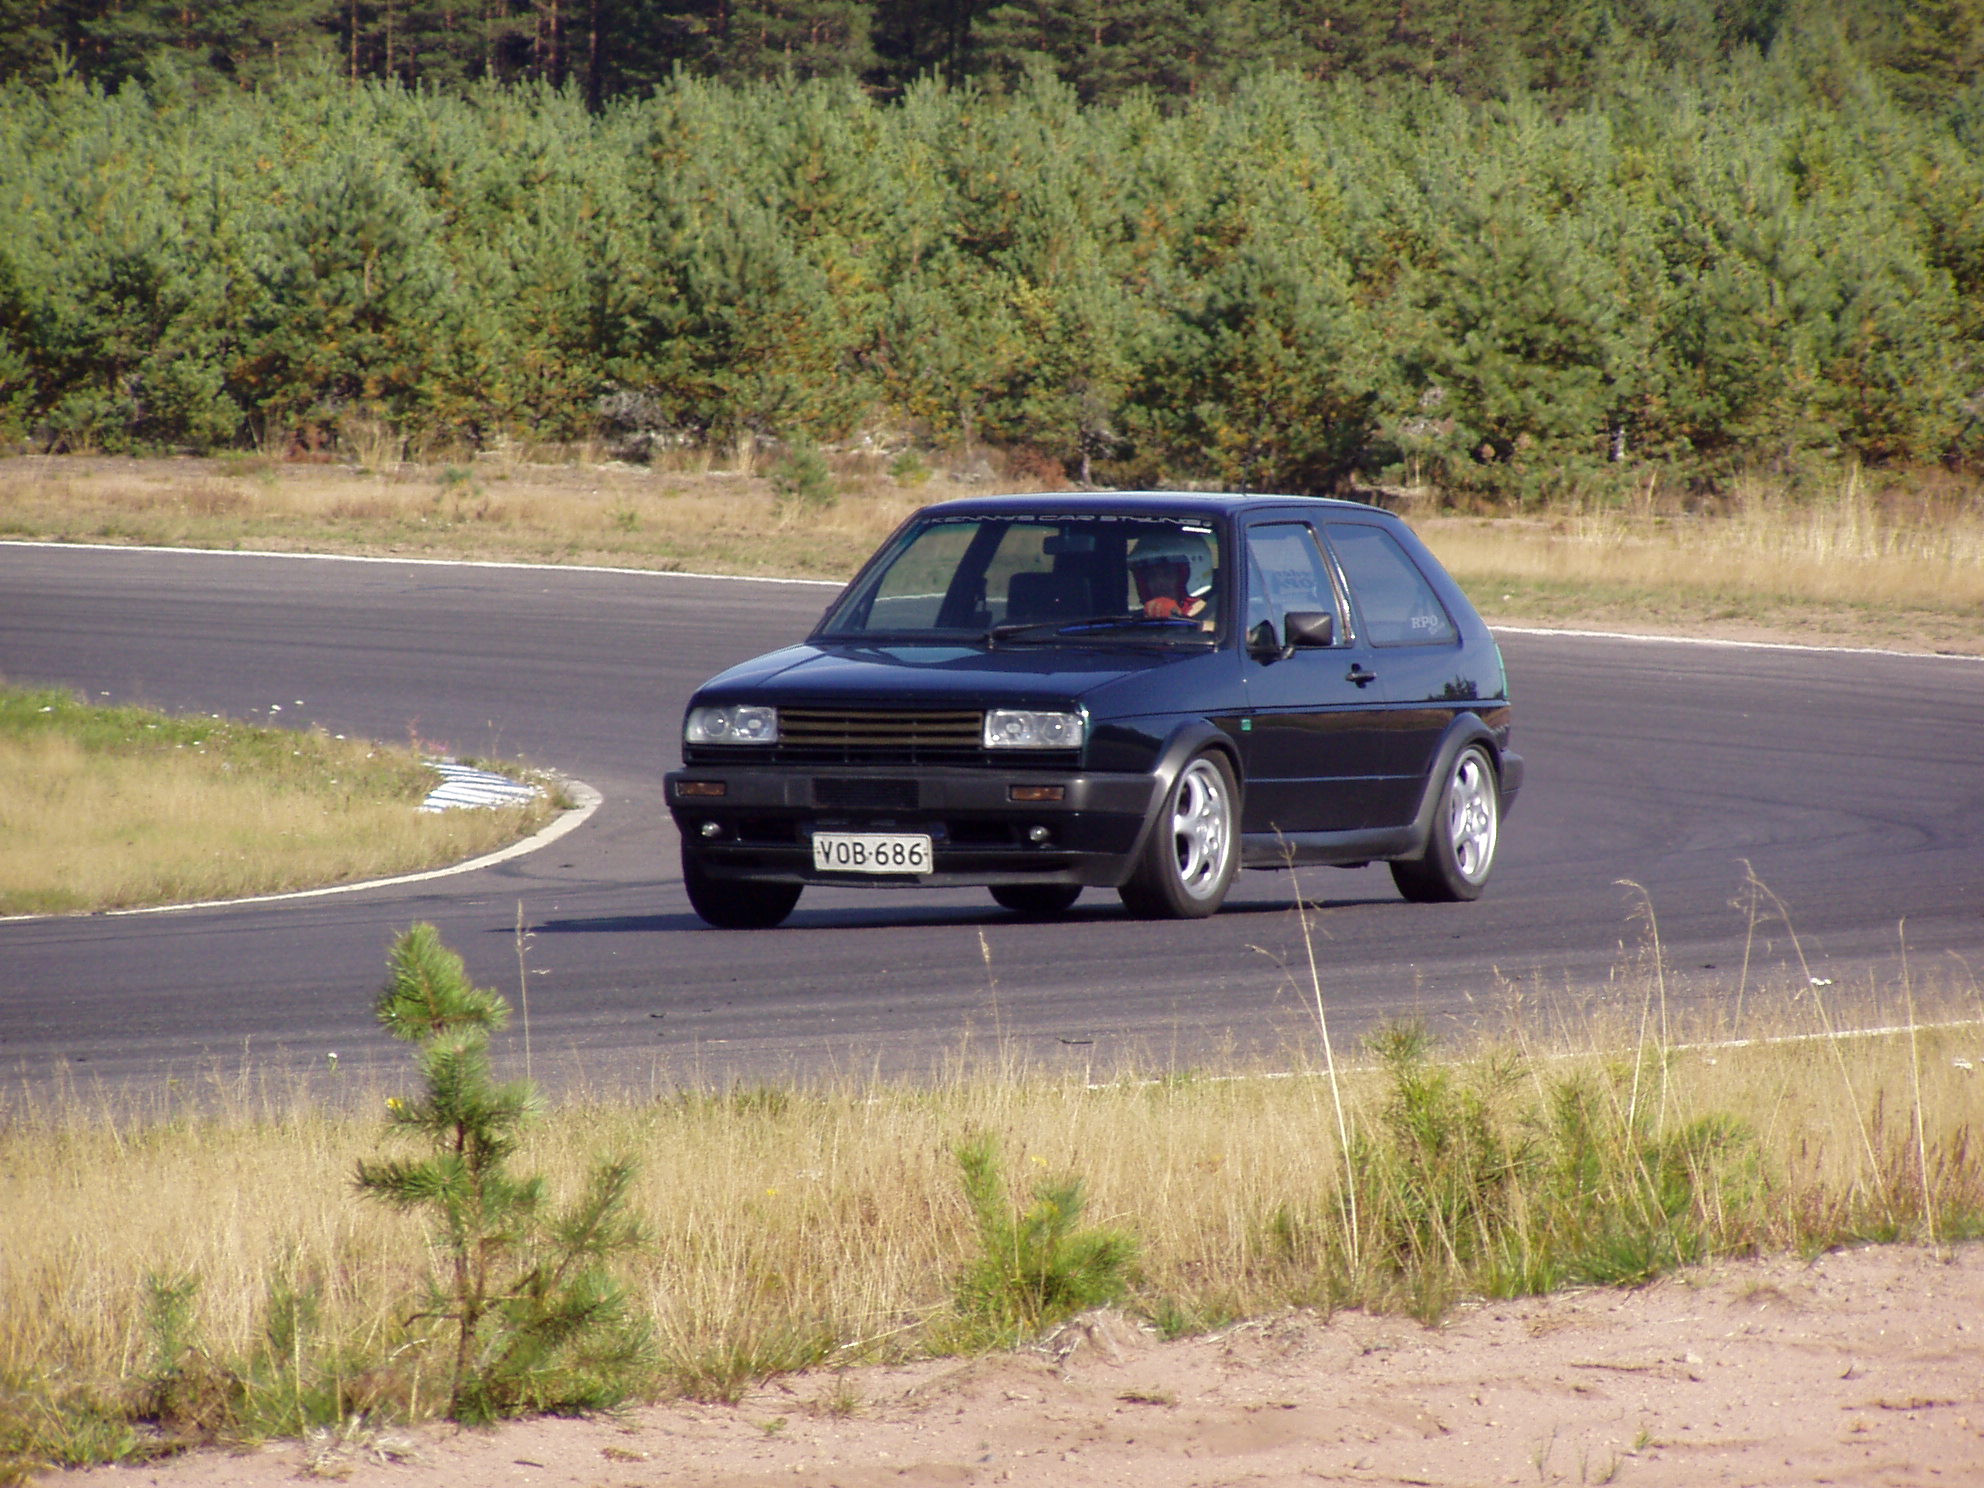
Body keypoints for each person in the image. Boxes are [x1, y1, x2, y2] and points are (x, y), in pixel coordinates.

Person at [1128, 529, 1215, 619]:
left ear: (1196, 574)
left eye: (1167, 574)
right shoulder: (1135, 623)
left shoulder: (1222, 619)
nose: (1158, 583)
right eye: (1150, 576)